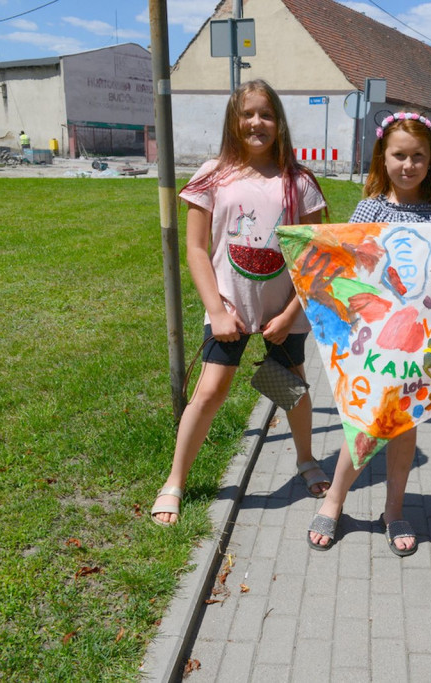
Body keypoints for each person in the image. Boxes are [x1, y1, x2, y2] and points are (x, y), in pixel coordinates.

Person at [151, 80, 330, 526]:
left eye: (266, 114)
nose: (257, 122)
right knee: (210, 392)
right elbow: (195, 249)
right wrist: (216, 310)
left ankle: (305, 460)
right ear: (233, 121)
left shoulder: (299, 182)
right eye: (248, 113)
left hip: (283, 312)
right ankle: (175, 481)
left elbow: (315, 257)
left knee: (290, 390)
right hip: (228, 310)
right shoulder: (212, 176)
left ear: (279, 123)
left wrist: (290, 314)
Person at [307, 111, 431, 555]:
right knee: (364, 420)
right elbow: (348, 263)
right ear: (383, 158)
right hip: (376, 335)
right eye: (399, 155)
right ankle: (334, 500)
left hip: (423, 339)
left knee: (404, 423)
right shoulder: (371, 208)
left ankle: (395, 509)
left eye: (418, 156)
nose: (408, 165)